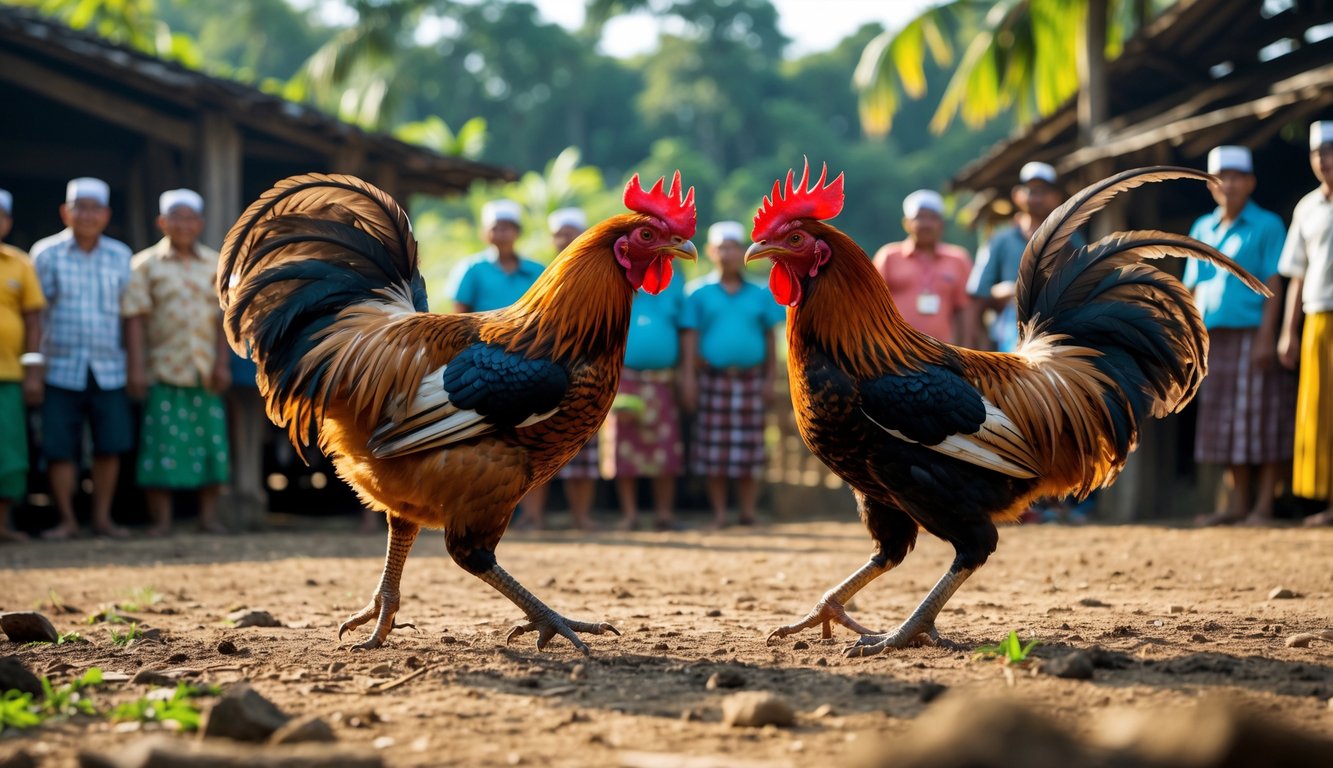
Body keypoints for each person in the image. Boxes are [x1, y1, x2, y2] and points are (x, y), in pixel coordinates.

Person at [1184, 146, 1294, 527]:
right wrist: (1190, 341)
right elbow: (1192, 289)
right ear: (1211, 185)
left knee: (1262, 417)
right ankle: (1236, 504)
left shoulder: (1267, 225)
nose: (1227, 184)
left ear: (1250, 182)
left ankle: (1264, 506)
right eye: (1220, 177)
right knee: (1225, 419)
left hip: (1252, 334)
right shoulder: (1201, 228)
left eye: (1235, 177)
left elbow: (1275, 281)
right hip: (1212, 339)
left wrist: (1268, 336)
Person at [122, 189, 231, 536]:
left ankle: (208, 518)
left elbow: (223, 320)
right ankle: (162, 521)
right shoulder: (143, 265)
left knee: (210, 444)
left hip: (204, 368)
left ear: (199, 223)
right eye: (176, 217)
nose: (183, 224)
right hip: (161, 368)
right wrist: (136, 366)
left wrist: (222, 364)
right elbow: (135, 318)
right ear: (162, 222)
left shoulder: (216, 264)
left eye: (189, 217)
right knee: (160, 446)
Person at [31, 178, 135, 540]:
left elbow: (129, 315)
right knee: (60, 448)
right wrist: (34, 367)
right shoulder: (45, 254)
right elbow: (36, 314)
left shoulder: (122, 256)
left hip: (109, 367)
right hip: (59, 367)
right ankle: (67, 520)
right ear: (65, 212)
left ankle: (102, 519)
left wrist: (136, 365)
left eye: (94, 208)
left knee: (110, 445)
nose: (87, 215)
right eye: (80, 207)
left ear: (106, 215)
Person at [682, 221, 786, 529]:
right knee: (714, 451)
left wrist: (770, 378)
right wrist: (688, 376)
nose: (727, 253)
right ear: (712, 252)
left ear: (743, 251)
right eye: (721, 247)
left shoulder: (760, 293)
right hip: (713, 379)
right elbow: (689, 337)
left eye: (733, 247)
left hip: (751, 379)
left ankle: (747, 512)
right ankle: (719, 514)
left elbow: (770, 338)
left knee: (750, 450)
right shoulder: (698, 292)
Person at [604, 214, 691, 532]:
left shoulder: (675, 281)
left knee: (665, 451)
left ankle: (664, 514)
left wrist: (686, 373)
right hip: (623, 376)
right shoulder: (614, 277)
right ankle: (629, 515)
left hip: (661, 378)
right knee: (623, 449)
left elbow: (685, 330)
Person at [520, 208, 600, 530]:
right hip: (544, 371)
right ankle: (532, 516)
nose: (565, 238)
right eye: (560, 233)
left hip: (585, 370)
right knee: (535, 446)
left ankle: (581, 516)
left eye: (572, 232)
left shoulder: (598, 274)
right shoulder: (544, 274)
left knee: (583, 451)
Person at [1278, 120, 1333, 527]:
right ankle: (1328, 503)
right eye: (1318, 153)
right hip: (1317, 315)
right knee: (1320, 410)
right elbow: (1295, 273)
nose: (1325, 160)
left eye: (1330, 151)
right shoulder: (1306, 208)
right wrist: (1287, 331)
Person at [967, 161, 1078, 352]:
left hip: (1060, 330)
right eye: (1031, 190)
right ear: (1017, 195)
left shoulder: (1071, 238)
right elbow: (978, 291)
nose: (1037, 197)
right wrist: (1009, 290)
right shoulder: (1000, 239)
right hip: (1010, 332)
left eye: (1043, 191)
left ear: (1056, 197)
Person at [872, 189, 975, 345]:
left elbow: (965, 310)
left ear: (941, 224)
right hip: (896, 353)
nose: (926, 224)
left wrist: (966, 353)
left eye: (932, 218)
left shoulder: (958, 259)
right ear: (906, 223)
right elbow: (873, 305)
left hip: (944, 356)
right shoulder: (889, 256)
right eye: (919, 217)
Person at [0, 188, 45, 542]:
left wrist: (32, 370)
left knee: (9, 454)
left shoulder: (19, 263)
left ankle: (2, 525)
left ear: (7, 222)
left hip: (8, 375)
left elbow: (33, 320)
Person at [445, 199, 544, 314]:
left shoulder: (537, 270)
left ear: (518, 231)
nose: (501, 233)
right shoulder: (471, 268)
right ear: (484, 233)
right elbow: (459, 314)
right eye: (495, 228)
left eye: (506, 227)